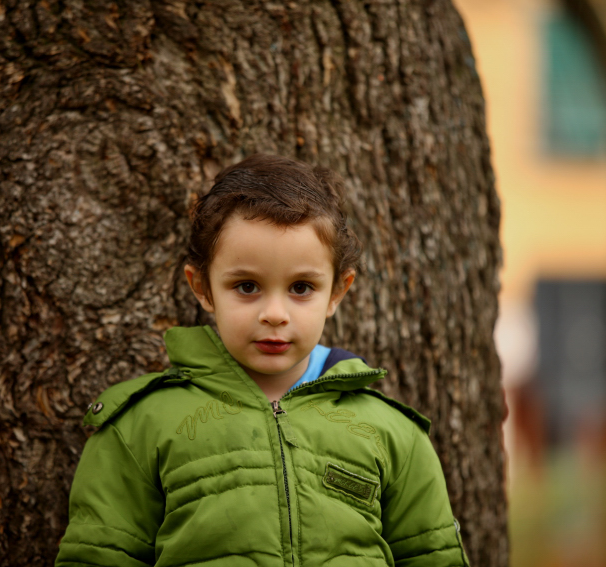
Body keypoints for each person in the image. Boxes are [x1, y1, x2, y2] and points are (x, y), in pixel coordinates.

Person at [55, 154, 470, 567]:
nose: (275, 313)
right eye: (247, 286)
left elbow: (431, 556)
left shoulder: (392, 433)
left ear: (338, 293)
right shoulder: (137, 426)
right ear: (202, 287)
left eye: (302, 287)